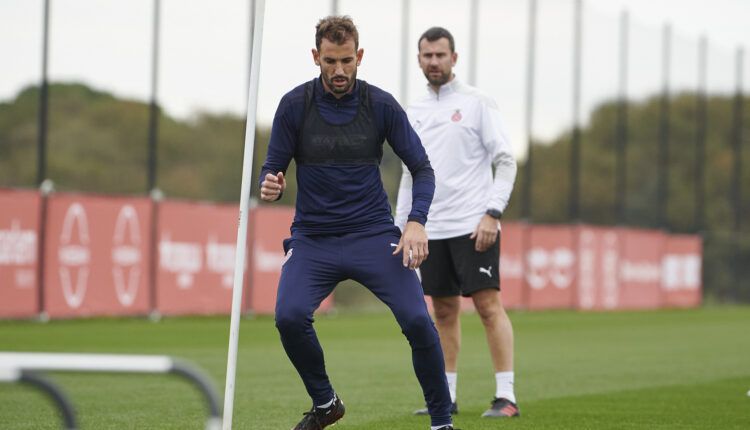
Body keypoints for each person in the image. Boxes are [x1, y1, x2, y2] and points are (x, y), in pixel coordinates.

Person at [259, 16, 455, 430]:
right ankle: (326, 403)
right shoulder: (294, 105)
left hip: (373, 235)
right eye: (330, 61)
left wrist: (416, 222)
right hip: (313, 239)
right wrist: (269, 183)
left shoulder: (380, 105)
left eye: (347, 60)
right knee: (289, 317)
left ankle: (442, 421)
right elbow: (271, 169)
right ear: (316, 57)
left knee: (419, 320)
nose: (339, 70)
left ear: (359, 57)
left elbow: (422, 168)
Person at [395, 26, 520, 419]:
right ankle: (446, 396)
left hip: (474, 225)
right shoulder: (412, 112)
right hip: (431, 228)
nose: (434, 61)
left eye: (440, 55)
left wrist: (493, 212)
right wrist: (401, 226)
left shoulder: (478, 103)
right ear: (418, 59)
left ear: (454, 58)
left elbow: (506, 161)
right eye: (427, 55)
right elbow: (408, 175)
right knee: (443, 311)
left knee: (487, 306)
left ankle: (506, 397)